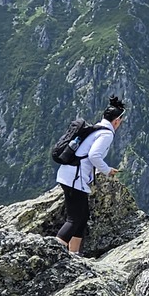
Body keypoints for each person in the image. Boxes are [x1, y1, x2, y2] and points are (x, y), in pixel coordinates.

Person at [56, 95, 126, 255]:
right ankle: (52, 252)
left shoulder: (96, 128)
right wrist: (107, 170)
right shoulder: (107, 134)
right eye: (121, 121)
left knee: (83, 215)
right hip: (74, 178)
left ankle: (74, 254)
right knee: (74, 218)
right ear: (117, 121)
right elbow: (94, 156)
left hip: (68, 174)